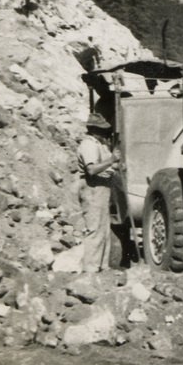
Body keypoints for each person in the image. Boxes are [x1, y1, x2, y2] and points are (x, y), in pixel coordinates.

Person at [77, 112, 120, 272]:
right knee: (95, 229)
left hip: (103, 188)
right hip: (92, 188)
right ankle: (91, 269)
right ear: (94, 130)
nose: (105, 134)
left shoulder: (99, 145)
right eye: (102, 131)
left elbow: (108, 165)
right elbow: (92, 169)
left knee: (104, 229)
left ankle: (103, 266)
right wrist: (111, 160)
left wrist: (114, 164)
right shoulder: (88, 145)